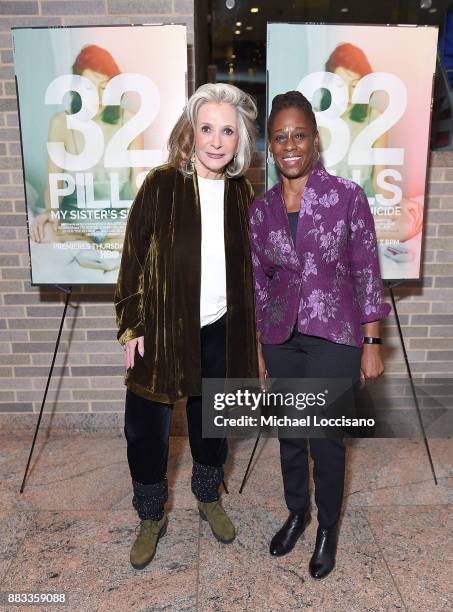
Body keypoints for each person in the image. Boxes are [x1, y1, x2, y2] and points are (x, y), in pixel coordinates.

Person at [114, 83, 259, 570]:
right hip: (161, 327)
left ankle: (208, 495)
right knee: (146, 427)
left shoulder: (243, 193)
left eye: (227, 131)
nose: (216, 141)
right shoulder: (161, 184)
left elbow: (253, 269)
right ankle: (151, 514)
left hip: (221, 325)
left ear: (239, 141)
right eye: (207, 129)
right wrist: (130, 325)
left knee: (212, 419)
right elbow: (133, 257)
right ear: (190, 133)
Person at [249, 91, 390, 579]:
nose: (291, 144)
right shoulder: (260, 209)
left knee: (326, 437)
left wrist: (372, 342)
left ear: (314, 139)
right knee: (290, 433)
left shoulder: (346, 195)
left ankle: (328, 526)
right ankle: (298, 512)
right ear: (270, 145)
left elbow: (366, 269)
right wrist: (260, 347)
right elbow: (256, 281)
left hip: (335, 331)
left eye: (299, 134)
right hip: (280, 335)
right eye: (280, 136)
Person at [31, 44, 144, 245]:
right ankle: (92, 242)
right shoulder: (60, 123)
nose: (98, 98)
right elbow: (54, 182)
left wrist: (147, 214)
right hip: (75, 222)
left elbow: (138, 180)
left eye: (104, 87)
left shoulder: (130, 120)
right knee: (44, 233)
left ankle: (105, 242)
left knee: (148, 237)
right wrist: (51, 212)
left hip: (118, 222)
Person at [319, 43, 423, 246]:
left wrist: (401, 202)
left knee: (408, 223)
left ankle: (341, 239)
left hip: (361, 213)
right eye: (340, 85)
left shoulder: (376, 119)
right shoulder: (311, 118)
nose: (348, 95)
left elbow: (378, 182)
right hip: (323, 212)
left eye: (355, 85)